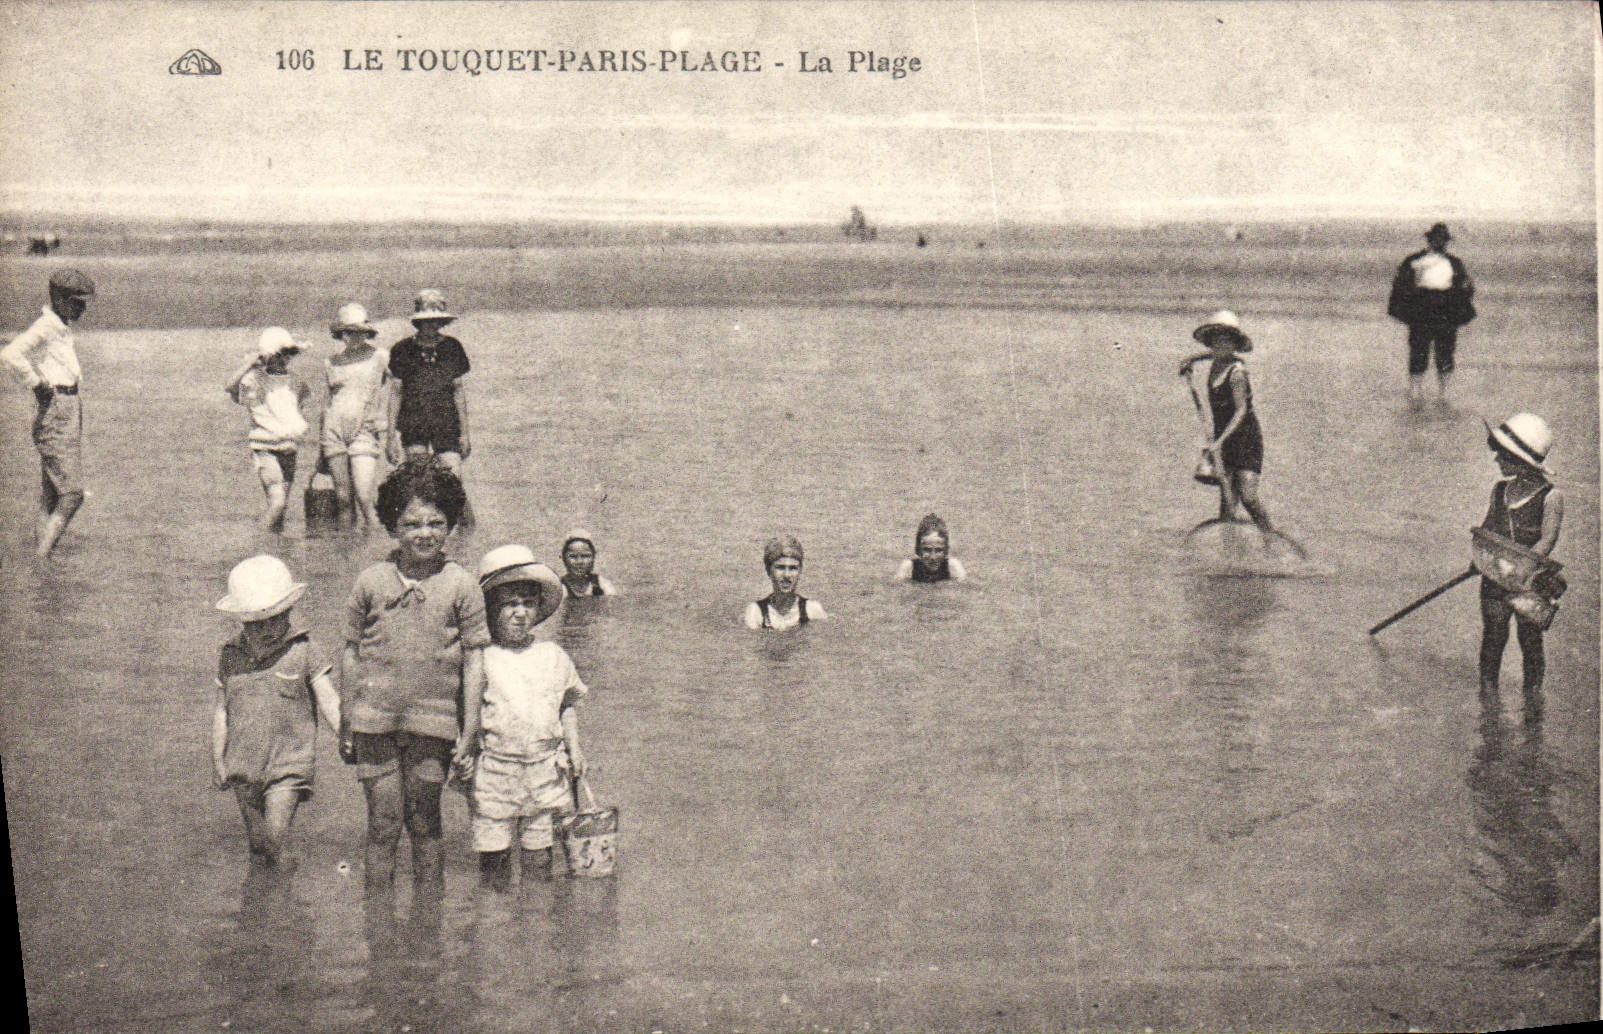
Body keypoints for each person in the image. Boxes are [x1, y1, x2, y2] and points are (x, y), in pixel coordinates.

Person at [341, 460, 490, 894]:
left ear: (451, 526)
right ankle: (379, 926)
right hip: (374, 721)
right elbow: (351, 656)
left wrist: (470, 732)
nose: (424, 533)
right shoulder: (370, 581)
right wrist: (348, 721)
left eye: (436, 523)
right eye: (411, 524)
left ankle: (429, 928)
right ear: (392, 526)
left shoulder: (462, 585)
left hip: (434, 723)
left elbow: (475, 663)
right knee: (383, 826)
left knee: (426, 824)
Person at [461, 544, 588, 890]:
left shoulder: (552, 655)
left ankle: (536, 929)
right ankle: (497, 930)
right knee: (494, 863)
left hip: (544, 770)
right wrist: (463, 754)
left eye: (528, 604)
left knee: (539, 860)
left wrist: (575, 750)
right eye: (509, 604)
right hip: (494, 771)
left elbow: (566, 705)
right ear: (489, 609)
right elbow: (465, 714)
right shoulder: (480, 658)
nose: (520, 613)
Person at [212, 555, 342, 867]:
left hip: (288, 764)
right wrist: (218, 757)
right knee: (259, 846)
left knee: (274, 836)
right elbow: (221, 711)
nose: (269, 629)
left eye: (277, 618)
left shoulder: (304, 649)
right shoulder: (230, 655)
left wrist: (347, 736)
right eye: (258, 623)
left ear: (290, 610)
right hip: (242, 764)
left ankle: (277, 896)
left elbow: (328, 699)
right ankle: (266, 901)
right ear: (242, 620)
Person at [1, 268, 96, 556]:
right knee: (72, 495)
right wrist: (36, 383)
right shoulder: (48, 326)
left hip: (66, 408)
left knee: (51, 494)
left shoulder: (60, 326)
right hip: (56, 409)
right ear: (60, 299)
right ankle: (43, 556)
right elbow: (9, 354)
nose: (82, 307)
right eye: (77, 301)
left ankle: (40, 562)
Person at [1478, 413, 1564, 718]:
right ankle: (1488, 706)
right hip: (1494, 578)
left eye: (1503, 454)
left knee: (1530, 641)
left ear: (1521, 460)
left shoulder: (1551, 497)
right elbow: (1487, 530)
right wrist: (1480, 559)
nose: (1497, 460)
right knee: (1493, 637)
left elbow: (1547, 540)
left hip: (1530, 582)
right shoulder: (1500, 490)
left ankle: (1533, 705)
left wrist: (1522, 570)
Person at [1177, 310, 1284, 547]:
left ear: (1234, 344)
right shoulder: (1215, 363)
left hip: (1245, 439)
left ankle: (1271, 541)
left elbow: (1241, 412)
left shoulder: (1237, 372)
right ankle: (1231, 552)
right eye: (1216, 339)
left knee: (1248, 496)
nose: (1220, 344)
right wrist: (1191, 359)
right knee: (1227, 504)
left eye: (1226, 340)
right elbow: (1212, 355)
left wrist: (1218, 441)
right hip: (1223, 440)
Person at [385, 289, 473, 524]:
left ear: (442, 321)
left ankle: (466, 537)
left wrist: (465, 433)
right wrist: (390, 436)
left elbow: (458, 391)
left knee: (454, 483)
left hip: (447, 423)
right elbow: (395, 393)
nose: (431, 325)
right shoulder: (401, 349)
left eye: (436, 320)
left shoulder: (453, 347)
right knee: (420, 483)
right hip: (413, 423)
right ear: (418, 322)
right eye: (426, 321)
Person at [225, 327, 311, 533]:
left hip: (289, 447)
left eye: (288, 354)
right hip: (265, 448)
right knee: (278, 503)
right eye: (278, 355)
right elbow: (230, 388)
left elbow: (299, 406)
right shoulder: (254, 379)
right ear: (267, 357)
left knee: (281, 508)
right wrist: (249, 364)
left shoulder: (296, 381)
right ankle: (260, 542)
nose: (283, 360)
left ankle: (276, 548)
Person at [1388, 222, 1475, 405]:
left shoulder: (1454, 262)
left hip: (1446, 311)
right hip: (1421, 310)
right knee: (1418, 350)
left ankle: (1443, 393)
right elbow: (1401, 285)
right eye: (1436, 239)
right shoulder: (1414, 261)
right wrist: (1409, 303)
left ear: (1446, 242)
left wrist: (1462, 294)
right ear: (1430, 240)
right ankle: (1415, 389)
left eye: (1443, 240)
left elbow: (1465, 287)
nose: (1440, 243)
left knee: (1445, 351)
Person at [320, 303, 390, 531]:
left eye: (360, 331)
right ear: (340, 333)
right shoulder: (331, 362)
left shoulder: (379, 356)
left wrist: (384, 417)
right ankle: (346, 553)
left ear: (367, 332)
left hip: (364, 430)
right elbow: (328, 402)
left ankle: (375, 550)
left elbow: (400, 387)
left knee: (364, 496)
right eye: (349, 331)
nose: (355, 336)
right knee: (342, 499)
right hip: (333, 430)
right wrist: (319, 453)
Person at [744, 536, 828, 630]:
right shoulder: (756, 612)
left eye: (793, 568)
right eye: (780, 567)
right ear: (768, 571)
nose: (787, 575)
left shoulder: (812, 610)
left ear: (800, 571)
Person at [895, 513, 968, 582]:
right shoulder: (909, 568)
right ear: (918, 550)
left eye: (938, 550)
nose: (933, 557)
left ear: (946, 551)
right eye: (927, 550)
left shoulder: (952, 567)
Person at [558, 529, 620, 597]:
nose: (579, 562)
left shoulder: (602, 585)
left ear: (593, 558)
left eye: (585, 556)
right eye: (573, 556)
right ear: (564, 559)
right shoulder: (559, 589)